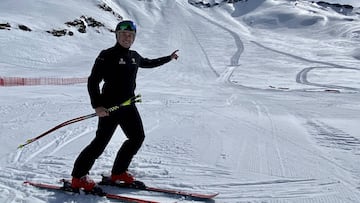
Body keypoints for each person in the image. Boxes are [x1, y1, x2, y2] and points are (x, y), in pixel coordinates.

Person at [70, 20, 179, 191]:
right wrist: (97, 106)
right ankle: (78, 177)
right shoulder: (106, 55)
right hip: (109, 108)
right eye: (123, 34)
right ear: (117, 35)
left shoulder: (134, 56)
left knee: (137, 138)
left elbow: (149, 63)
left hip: (128, 106)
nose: (127, 38)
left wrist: (169, 58)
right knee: (100, 143)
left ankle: (119, 173)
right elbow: (93, 81)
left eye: (131, 35)